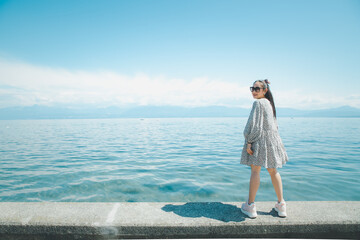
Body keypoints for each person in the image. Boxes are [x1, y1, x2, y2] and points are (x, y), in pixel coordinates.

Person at [240, 79, 289, 218]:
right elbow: (275, 125)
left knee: (255, 171)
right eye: (252, 88)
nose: (254, 91)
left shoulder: (258, 103)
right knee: (273, 171)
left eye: (257, 89)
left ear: (264, 90)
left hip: (260, 141)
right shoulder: (269, 103)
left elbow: (253, 125)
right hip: (273, 141)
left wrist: (249, 141)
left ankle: (250, 206)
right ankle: (281, 205)